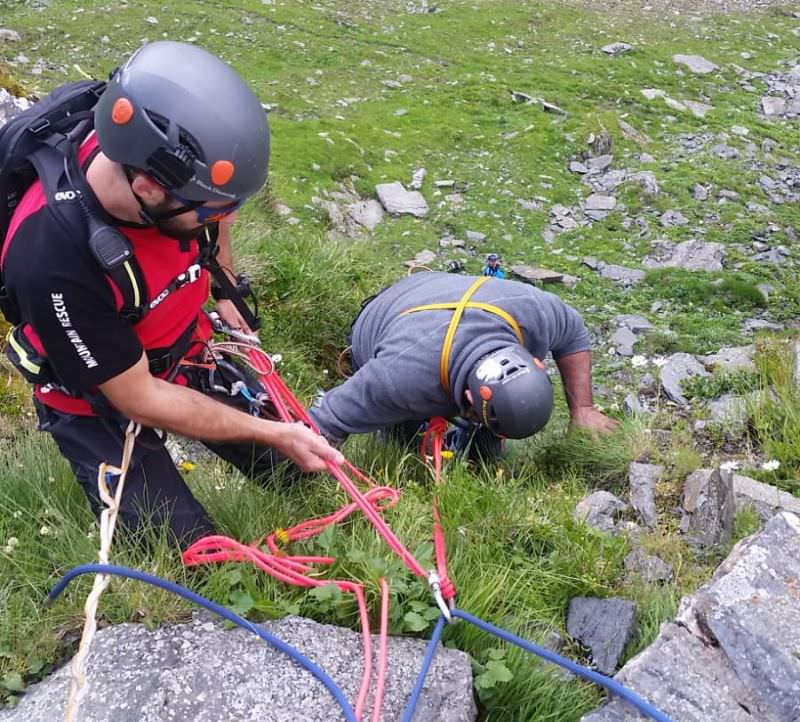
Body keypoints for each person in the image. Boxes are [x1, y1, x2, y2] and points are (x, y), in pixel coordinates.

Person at [1, 41, 342, 547]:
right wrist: (271, 431)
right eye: (209, 211)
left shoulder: (153, 164)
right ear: (149, 189)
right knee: (194, 554)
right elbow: (141, 399)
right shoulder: (54, 260)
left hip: (182, 348)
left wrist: (226, 287)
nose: (221, 219)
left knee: (307, 472)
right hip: (99, 398)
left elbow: (217, 215)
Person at [309, 272, 617, 458]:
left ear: (536, 362)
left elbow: (573, 332)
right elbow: (326, 421)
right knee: (407, 443)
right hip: (385, 317)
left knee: (483, 455)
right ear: (469, 399)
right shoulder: (397, 377)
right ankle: (403, 430)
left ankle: (480, 440)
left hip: (434, 290)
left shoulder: (534, 311)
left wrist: (583, 409)